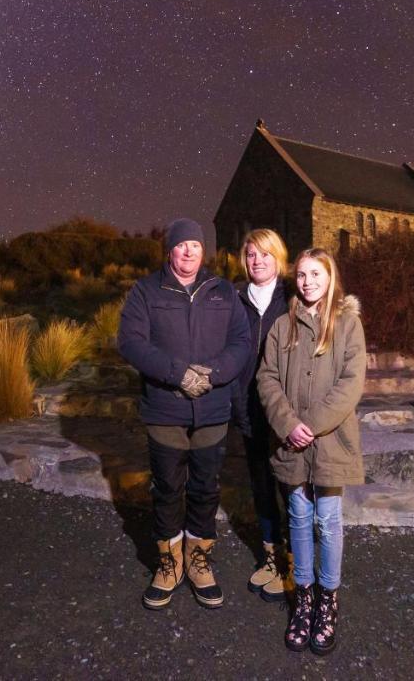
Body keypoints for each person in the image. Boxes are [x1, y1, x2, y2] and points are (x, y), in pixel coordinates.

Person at [117, 218, 253, 611]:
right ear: (169, 251)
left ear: (203, 250)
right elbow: (131, 342)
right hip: (166, 409)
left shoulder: (223, 291)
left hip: (212, 408)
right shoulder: (146, 291)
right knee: (166, 488)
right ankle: (168, 562)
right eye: (182, 245)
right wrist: (178, 374)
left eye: (195, 244)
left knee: (206, 488)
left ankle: (198, 560)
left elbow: (241, 342)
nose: (189, 251)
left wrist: (213, 375)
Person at [256, 248, 367, 655]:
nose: (307, 282)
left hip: (331, 441)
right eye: (301, 275)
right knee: (299, 518)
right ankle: (303, 597)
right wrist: (288, 424)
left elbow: (351, 383)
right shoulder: (282, 327)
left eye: (315, 274)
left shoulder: (347, 325)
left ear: (330, 276)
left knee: (328, 519)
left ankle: (328, 599)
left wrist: (312, 424)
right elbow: (267, 379)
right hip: (291, 443)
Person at [231, 228, 292, 603]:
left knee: (290, 486)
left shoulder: (292, 296)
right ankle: (270, 558)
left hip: (283, 408)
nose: (257, 261)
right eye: (251, 255)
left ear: (278, 257)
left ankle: (294, 561)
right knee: (261, 486)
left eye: (265, 255)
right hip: (248, 405)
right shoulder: (234, 298)